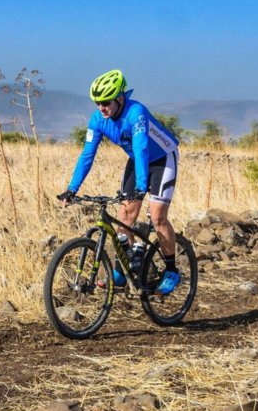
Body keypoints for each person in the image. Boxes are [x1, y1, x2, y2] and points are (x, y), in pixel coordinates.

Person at [57, 69, 181, 294]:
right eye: (97, 103)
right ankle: (122, 273)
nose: (101, 107)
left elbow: (142, 148)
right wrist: (72, 189)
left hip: (162, 159)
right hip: (137, 161)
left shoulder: (136, 112)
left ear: (120, 99)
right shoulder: (97, 120)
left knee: (157, 217)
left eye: (106, 102)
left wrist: (141, 187)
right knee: (124, 218)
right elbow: (87, 155)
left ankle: (172, 270)